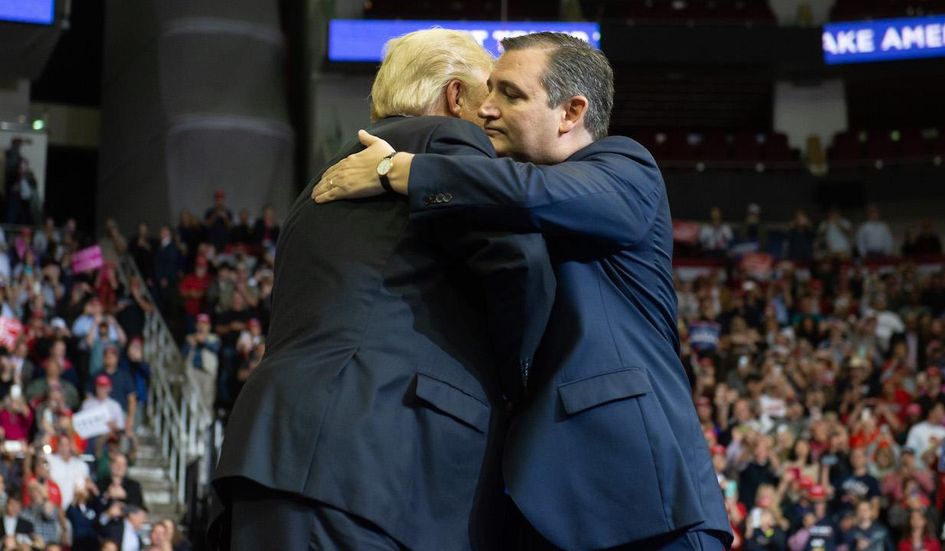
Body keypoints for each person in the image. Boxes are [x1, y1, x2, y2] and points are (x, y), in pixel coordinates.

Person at [317, 31, 731, 551]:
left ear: (570, 112)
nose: (485, 108)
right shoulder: (490, 201)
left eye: (510, 94)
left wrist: (402, 169)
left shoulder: (626, 168)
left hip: (638, 497)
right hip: (534, 507)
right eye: (487, 90)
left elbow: (537, 194)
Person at [210, 29, 555, 551]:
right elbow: (519, 261)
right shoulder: (442, 142)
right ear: (454, 96)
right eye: (487, 99)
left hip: (284, 461)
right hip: (371, 465)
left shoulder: (318, 185)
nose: (491, 119)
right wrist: (528, 383)